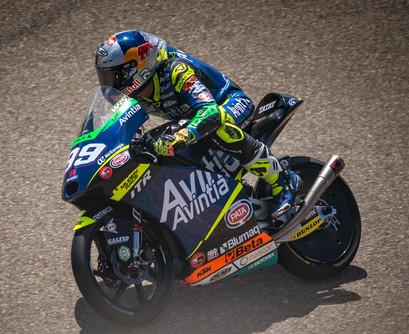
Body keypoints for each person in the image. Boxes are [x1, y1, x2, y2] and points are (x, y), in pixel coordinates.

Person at [95, 30, 301, 218]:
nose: (110, 85)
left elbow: (210, 111)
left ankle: (282, 179)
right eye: (105, 77)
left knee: (217, 126)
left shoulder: (175, 70)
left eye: (116, 76)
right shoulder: (132, 96)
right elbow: (118, 128)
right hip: (192, 120)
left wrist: (184, 135)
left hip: (229, 104)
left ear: (139, 65)